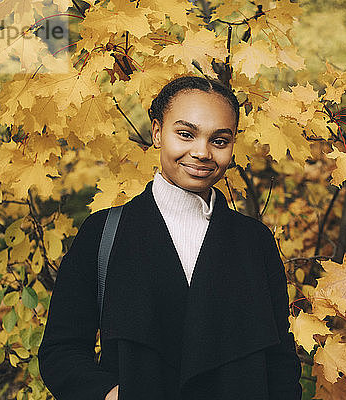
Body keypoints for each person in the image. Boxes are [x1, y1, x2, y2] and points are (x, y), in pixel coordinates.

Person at [37, 75, 302, 400]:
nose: (202, 152)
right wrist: (109, 394)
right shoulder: (103, 233)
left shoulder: (254, 241)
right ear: (158, 132)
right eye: (186, 134)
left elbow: (281, 363)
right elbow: (60, 351)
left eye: (219, 140)